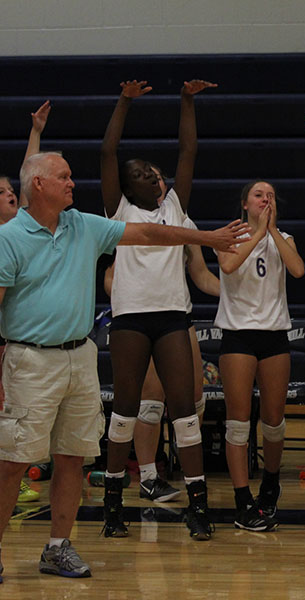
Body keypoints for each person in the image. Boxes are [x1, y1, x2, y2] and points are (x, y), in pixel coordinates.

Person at [0, 152, 246, 581]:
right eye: (63, 177)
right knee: (13, 463)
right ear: (38, 184)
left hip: (79, 356)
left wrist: (207, 238)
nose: (72, 183)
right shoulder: (9, 237)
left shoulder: (84, 225)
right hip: (30, 360)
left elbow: (150, 232)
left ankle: (58, 547)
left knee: (73, 457)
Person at [99, 78, 219, 540]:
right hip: (130, 319)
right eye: (145, 174)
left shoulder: (174, 204)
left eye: (155, 172)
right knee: (125, 409)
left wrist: (186, 101)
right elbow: (108, 153)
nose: (156, 177)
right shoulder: (118, 210)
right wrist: (124, 100)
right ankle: (113, 507)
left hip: (172, 315)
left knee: (184, 410)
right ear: (130, 186)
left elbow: (187, 152)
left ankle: (199, 507)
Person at [102, 194, 220, 503]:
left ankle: (191, 476)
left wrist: (237, 295)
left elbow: (202, 276)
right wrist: (137, 296)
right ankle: (149, 476)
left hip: (178, 318)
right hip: (142, 319)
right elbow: (110, 277)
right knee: (150, 401)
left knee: (194, 400)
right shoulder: (127, 219)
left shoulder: (184, 221)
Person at [216, 180, 304, 531]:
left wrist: (273, 233)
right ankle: (242, 501)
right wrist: (258, 233)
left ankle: (270, 483)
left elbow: (297, 269)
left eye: (270, 195)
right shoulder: (228, 236)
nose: (265, 199)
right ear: (244, 203)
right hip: (238, 336)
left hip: (274, 337)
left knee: (274, 420)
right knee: (238, 423)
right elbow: (228, 266)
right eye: (258, 194)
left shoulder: (284, 238)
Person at [2, 100, 51, 507]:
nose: (8, 195)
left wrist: (36, 131)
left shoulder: (22, 230)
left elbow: (28, 172)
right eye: (0, 193)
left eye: (9, 191)